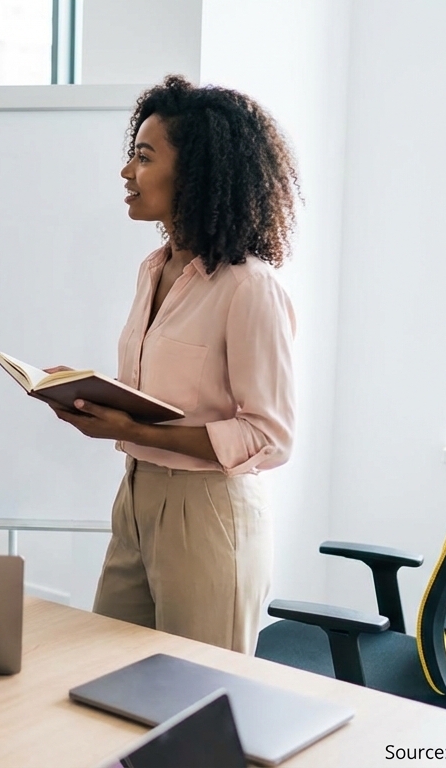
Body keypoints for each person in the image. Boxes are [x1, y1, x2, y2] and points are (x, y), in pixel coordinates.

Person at [46, 76, 298, 654]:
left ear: (197, 172)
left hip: (207, 509)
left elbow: (269, 437)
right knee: (107, 676)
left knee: (196, 705)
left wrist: (130, 429)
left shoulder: (249, 288)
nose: (126, 173)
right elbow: (162, 396)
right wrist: (90, 394)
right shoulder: (152, 268)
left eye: (143, 156)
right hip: (135, 496)